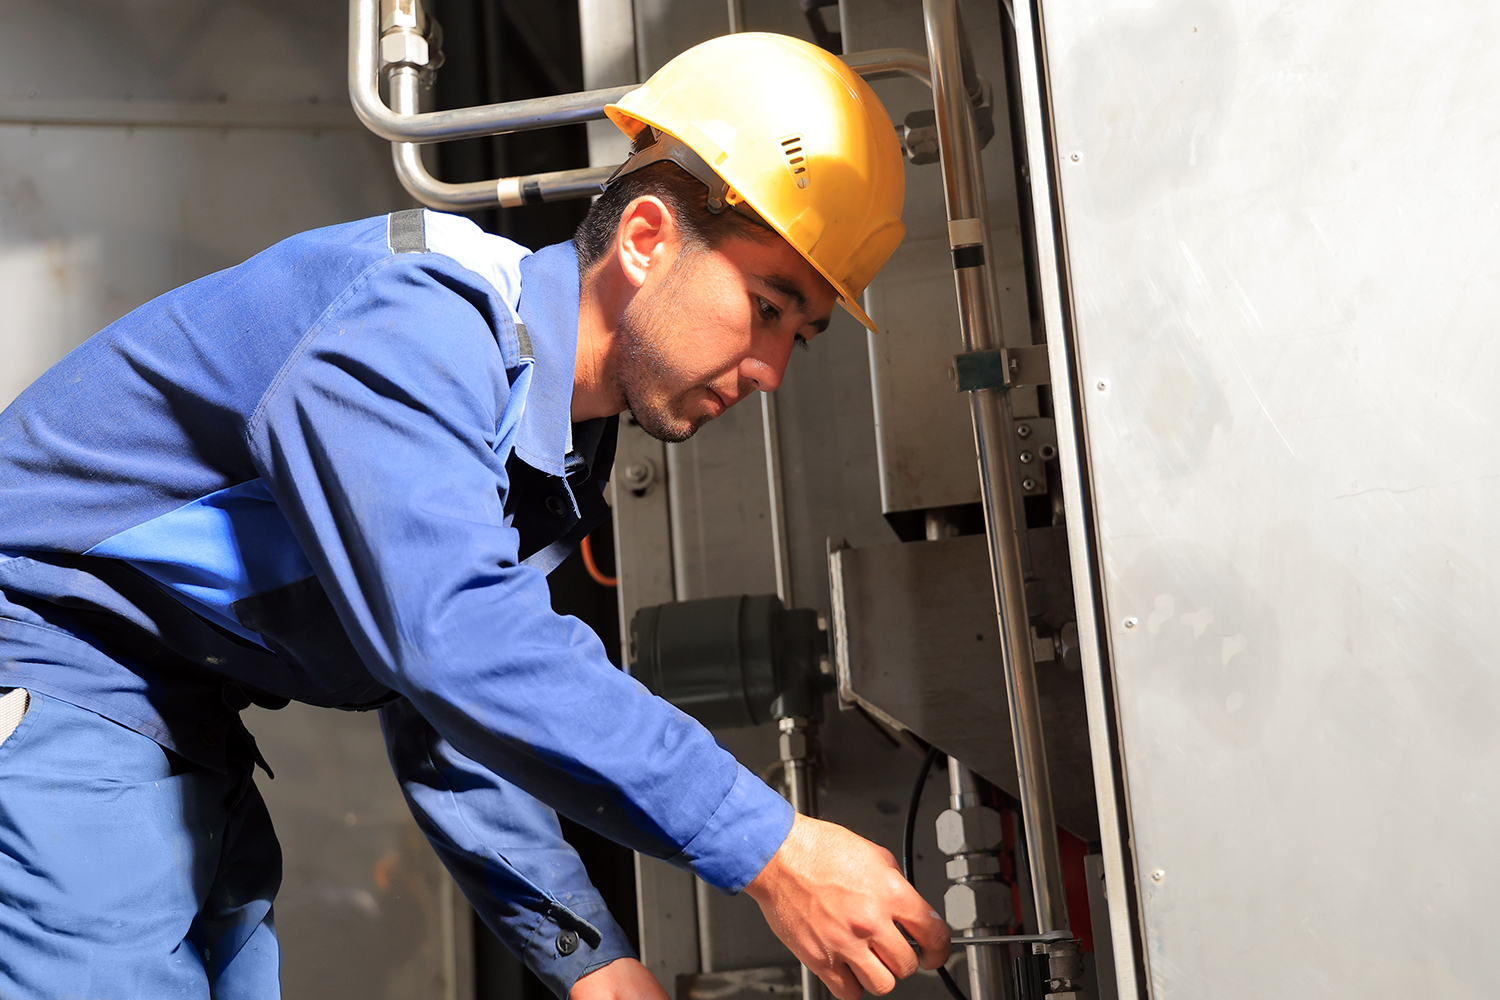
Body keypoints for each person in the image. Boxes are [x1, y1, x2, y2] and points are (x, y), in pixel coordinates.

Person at [0, 31, 945, 1000]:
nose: (772, 370)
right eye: (766, 306)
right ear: (646, 238)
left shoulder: (549, 439)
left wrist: (593, 963)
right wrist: (772, 848)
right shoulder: (418, 320)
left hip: (170, 720)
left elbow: (452, 711)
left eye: (802, 335)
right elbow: (455, 636)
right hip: (52, 667)